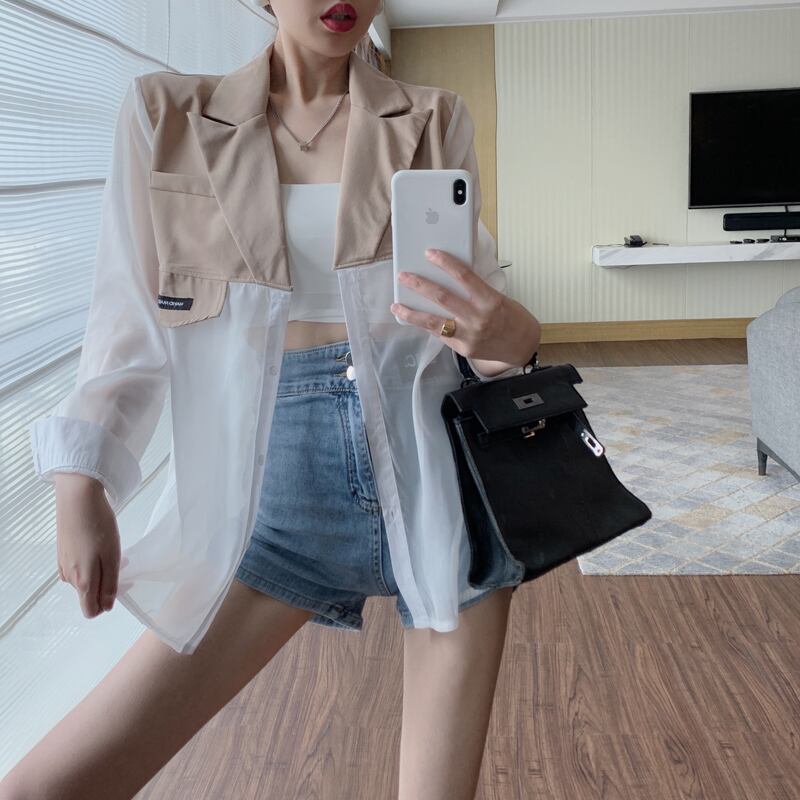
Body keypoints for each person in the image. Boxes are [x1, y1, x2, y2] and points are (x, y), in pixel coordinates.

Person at [4, 1, 542, 798]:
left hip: (439, 487)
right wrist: (81, 482)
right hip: (271, 496)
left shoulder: (432, 117)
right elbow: (126, 317)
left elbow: (483, 326)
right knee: (45, 788)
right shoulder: (168, 114)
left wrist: (509, 335)